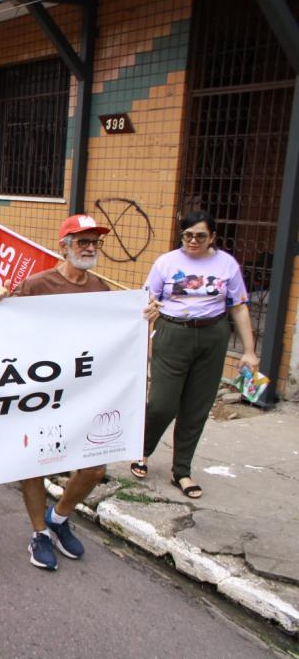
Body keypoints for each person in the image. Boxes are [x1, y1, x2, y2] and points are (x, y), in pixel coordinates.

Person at [0, 214, 159, 570]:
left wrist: (143, 320)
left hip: (84, 394)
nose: (90, 247)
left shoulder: (102, 291)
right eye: (82, 241)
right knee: (33, 465)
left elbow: (115, 340)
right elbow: (3, 328)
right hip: (42, 392)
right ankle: (38, 534)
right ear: (63, 247)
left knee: (94, 468)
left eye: (94, 241)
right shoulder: (36, 285)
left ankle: (59, 517)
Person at [132, 211, 257, 499]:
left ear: (212, 237)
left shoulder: (227, 264)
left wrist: (249, 351)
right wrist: (150, 309)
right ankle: (142, 451)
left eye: (200, 235)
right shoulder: (166, 262)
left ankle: (182, 471)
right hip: (173, 334)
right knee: (162, 403)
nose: (193, 240)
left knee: (197, 407)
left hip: (212, 335)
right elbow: (148, 299)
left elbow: (238, 306)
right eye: (187, 234)